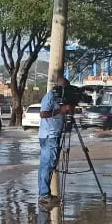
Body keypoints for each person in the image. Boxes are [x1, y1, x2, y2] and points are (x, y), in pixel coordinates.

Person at [38, 77, 74, 209]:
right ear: (58, 86)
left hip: (53, 135)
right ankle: (44, 195)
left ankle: (44, 193)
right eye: (64, 87)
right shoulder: (50, 97)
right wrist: (61, 110)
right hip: (49, 135)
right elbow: (43, 114)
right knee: (48, 165)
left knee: (46, 165)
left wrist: (68, 109)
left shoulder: (61, 99)